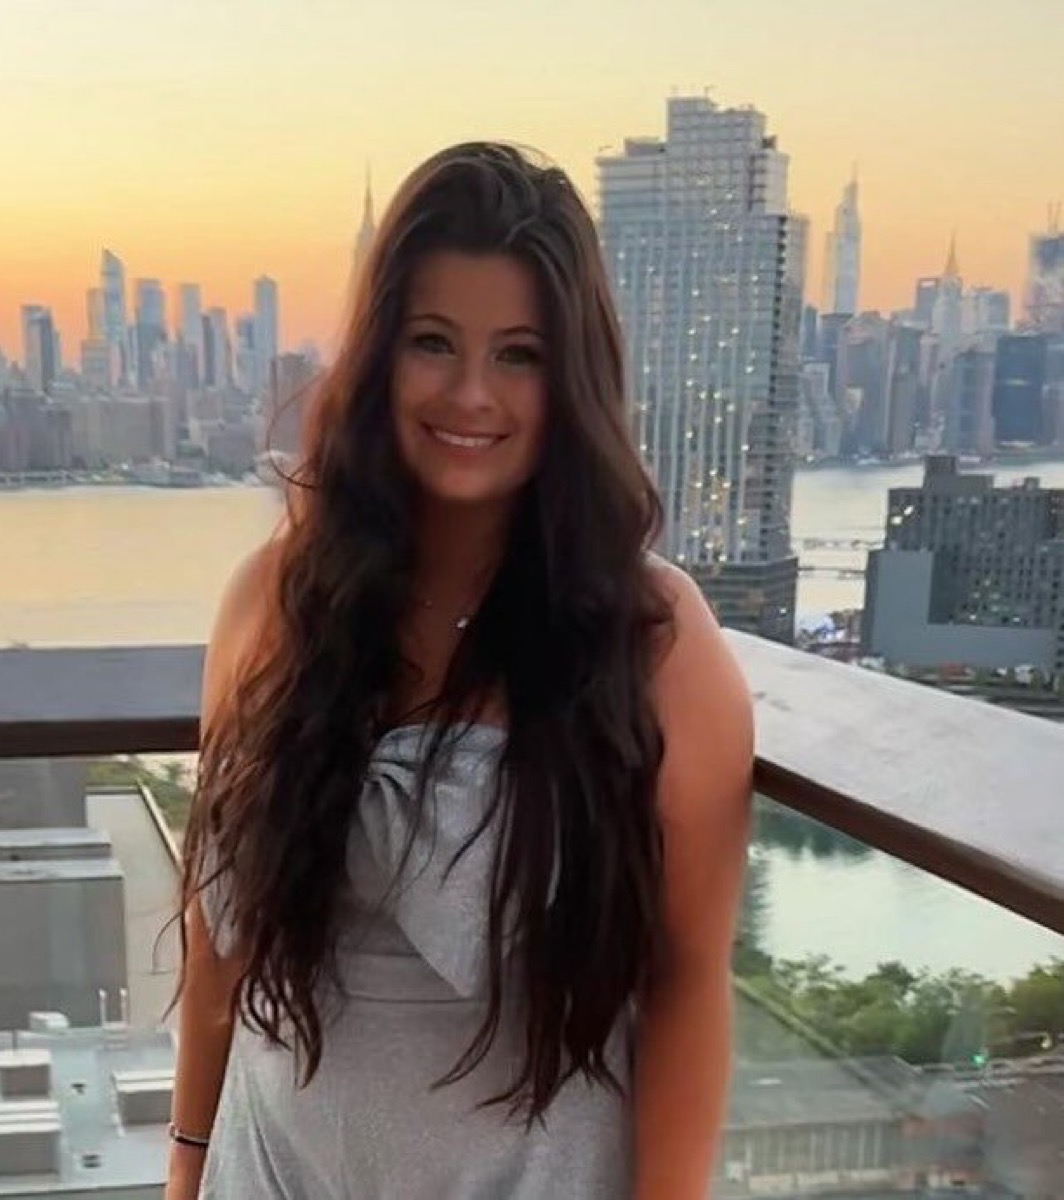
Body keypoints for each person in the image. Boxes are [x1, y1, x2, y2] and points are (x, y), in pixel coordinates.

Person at [167, 142, 752, 1200]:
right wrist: (185, 1165)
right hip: (271, 1171)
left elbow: (687, 985)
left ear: (570, 380)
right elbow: (218, 949)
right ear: (380, 354)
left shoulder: (656, 645)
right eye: (434, 343)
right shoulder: (274, 602)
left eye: (520, 354)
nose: (472, 393)